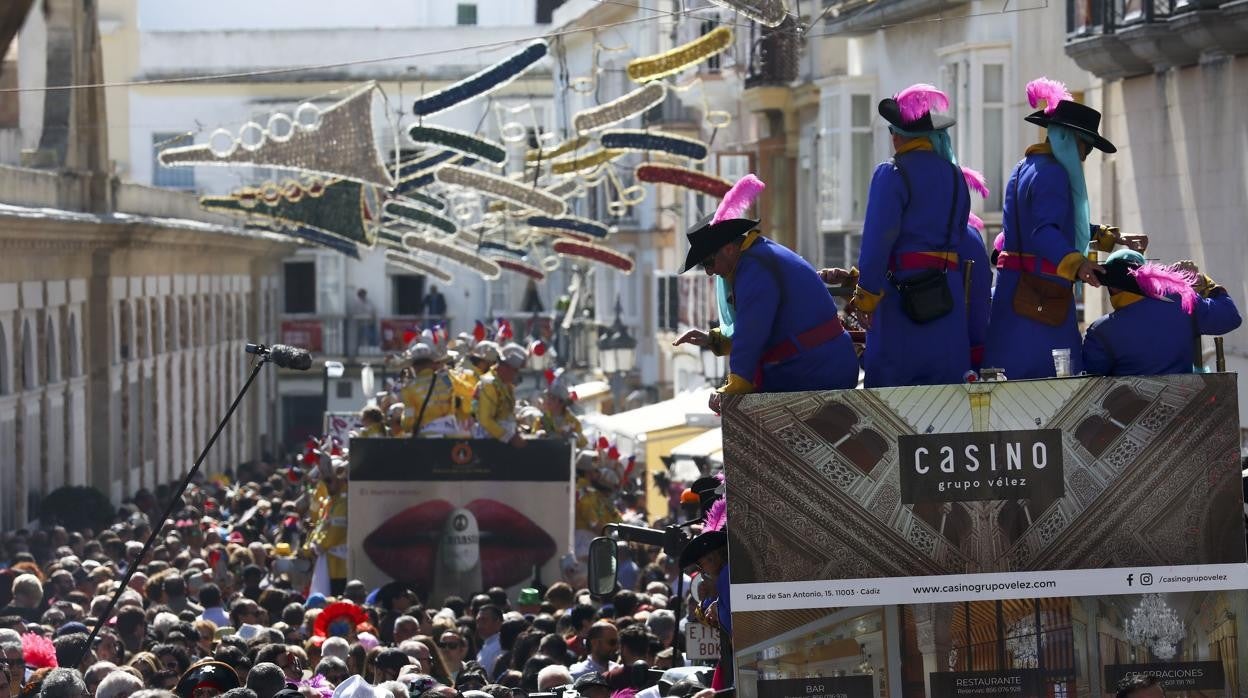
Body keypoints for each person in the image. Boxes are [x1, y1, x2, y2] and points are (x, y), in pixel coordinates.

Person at [983, 78, 1131, 378]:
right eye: (1084, 148)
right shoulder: (1054, 174)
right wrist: (1079, 265)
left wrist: (1102, 236)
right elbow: (1044, 232)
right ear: (1069, 139)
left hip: (1012, 293)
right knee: (1053, 386)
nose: (1083, 157)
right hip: (1039, 299)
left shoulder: (1022, 168)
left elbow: (1040, 223)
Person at [827, 84, 974, 387]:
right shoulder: (957, 176)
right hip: (947, 294)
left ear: (896, 135)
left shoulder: (892, 173)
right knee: (945, 391)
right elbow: (960, 234)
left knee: (895, 392)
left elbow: (877, 241)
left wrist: (865, 297)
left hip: (901, 296)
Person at [674, 174, 857, 411]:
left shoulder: (755, 267)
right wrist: (714, 339)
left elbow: (752, 331)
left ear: (729, 249)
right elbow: (760, 327)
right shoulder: (757, 257)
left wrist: (734, 387)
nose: (710, 272)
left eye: (709, 262)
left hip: (814, 371)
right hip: (818, 366)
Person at [1083, 251, 1241, 376]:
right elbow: (1230, 317)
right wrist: (1202, 281)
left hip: (1128, 415)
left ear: (1111, 286)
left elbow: (1090, 382)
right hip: (1186, 408)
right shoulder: (1183, 302)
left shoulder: (1100, 331)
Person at [473, 344, 528, 447]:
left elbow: (507, 414)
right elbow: (485, 420)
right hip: (488, 443)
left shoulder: (506, 384)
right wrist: (510, 437)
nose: (517, 375)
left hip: (502, 440)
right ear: (505, 367)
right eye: (516, 370)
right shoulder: (488, 384)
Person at [399, 343, 457, 437]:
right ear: (432, 363)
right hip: (451, 433)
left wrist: (404, 424)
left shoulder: (409, 389)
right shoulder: (447, 380)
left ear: (413, 367)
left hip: (426, 436)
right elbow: (454, 405)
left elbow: (408, 422)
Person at [536, 370, 587, 447]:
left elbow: (583, 442)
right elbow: (533, 437)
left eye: (553, 398)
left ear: (562, 402)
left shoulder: (572, 421)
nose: (548, 400)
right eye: (548, 397)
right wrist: (539, 435)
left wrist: (574, 437)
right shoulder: (542, 419)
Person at [453, 342, 499, 426]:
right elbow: (470, 406)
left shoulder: (466, 370)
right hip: (465, 427)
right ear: (485, 362)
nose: (494, 367)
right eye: (493, 363)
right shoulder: (469, 376)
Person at [475, 605, 504, 681]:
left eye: (484, 620)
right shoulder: (487, 645)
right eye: (478, 621)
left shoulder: (499, 646)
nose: (479, 625)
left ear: (497, 622)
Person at [349, 289, 378, 355]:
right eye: (362, 294)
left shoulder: (369, 301)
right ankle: (360, 352)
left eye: (364, 294)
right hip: (361, 324)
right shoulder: (356, 303)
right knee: (364, 338)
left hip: (371, 323)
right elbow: (354, 313)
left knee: (373, 337)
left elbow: (373, 310)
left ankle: (373, 351)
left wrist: (372, 316)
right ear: (359, 295)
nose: (364, 296)